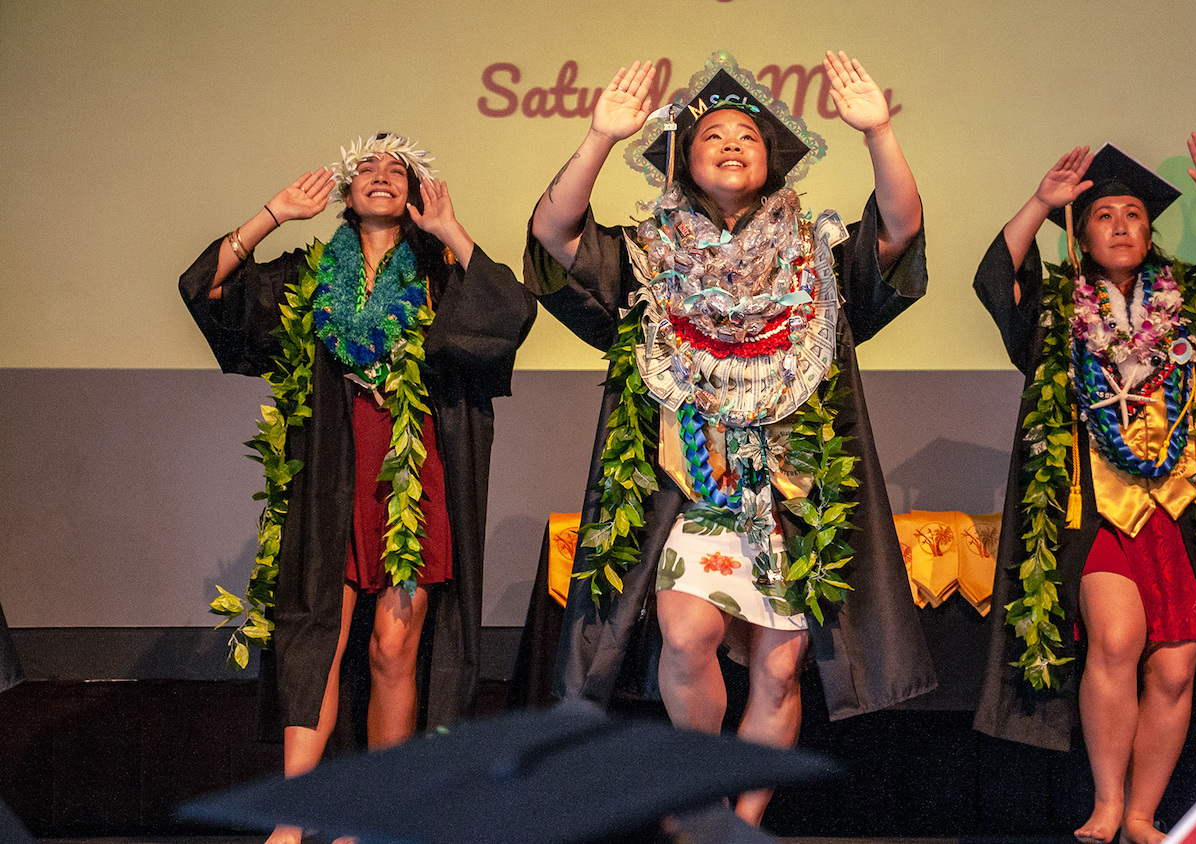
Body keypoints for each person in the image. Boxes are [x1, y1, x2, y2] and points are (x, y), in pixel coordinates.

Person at [525, 51, 936, 824]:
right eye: (713, 132)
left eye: (748, 133)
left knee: (779, 673)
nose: (733, 141)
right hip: (696, 494)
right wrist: (596, 137)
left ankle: (742, 823)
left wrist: (879, 133)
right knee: (684, 637)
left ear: (773, 162)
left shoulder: (816, 255)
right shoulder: (648, 256)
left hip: (789, 500)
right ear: (682, 161)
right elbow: (554, 235)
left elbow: (901, 230)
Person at [180, 133, 535, 844]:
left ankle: (373, 815)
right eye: (366, 167)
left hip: (414, 474)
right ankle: (293, 817)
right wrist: (271, 214)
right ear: (345, 194)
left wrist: (451, 230)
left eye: (397, 169)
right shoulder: (307, 276)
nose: (381, 176)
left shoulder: (438, 273)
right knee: (318, 634)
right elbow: (207, 290)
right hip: (330, 475)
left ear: (414, 193)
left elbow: (510, 315)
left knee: (394, 646)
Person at [971, 138, 1196, 844]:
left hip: (1182, 513)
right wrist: (1040, 202)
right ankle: (1107, 801)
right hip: (1097, 513)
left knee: (1176, 667)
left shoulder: (1193, 305)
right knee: (1116, 640)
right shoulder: (1060, 310)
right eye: (1104, 216)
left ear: (1151, 232)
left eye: (1134, 216)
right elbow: (1000, 281)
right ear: (1081, 234)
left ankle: (1146, 814)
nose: (1121, 226)